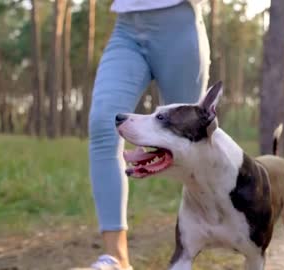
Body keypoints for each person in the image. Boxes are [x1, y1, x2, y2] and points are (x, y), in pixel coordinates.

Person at [78, 0, 209, 269]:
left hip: (179, 24)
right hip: (126, 29)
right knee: (104, 125)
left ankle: (227, 227)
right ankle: (118, 259)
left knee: (193, 141)